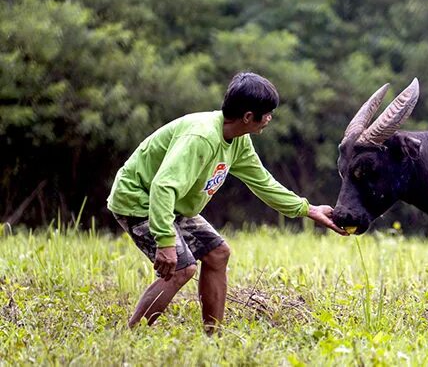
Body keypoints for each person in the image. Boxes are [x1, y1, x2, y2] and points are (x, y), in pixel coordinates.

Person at [107, 72, 347, 334]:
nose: (269, 118)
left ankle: (213, 335)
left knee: (218, 253)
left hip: (172, 204)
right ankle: (131, 334)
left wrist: (308, 209)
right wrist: (165, 241)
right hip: (139, 199)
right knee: (181, 269)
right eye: (266, 113)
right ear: (247, 117)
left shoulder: (239, 141)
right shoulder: (201, 138)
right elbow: (163, 187)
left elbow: (263, 183)